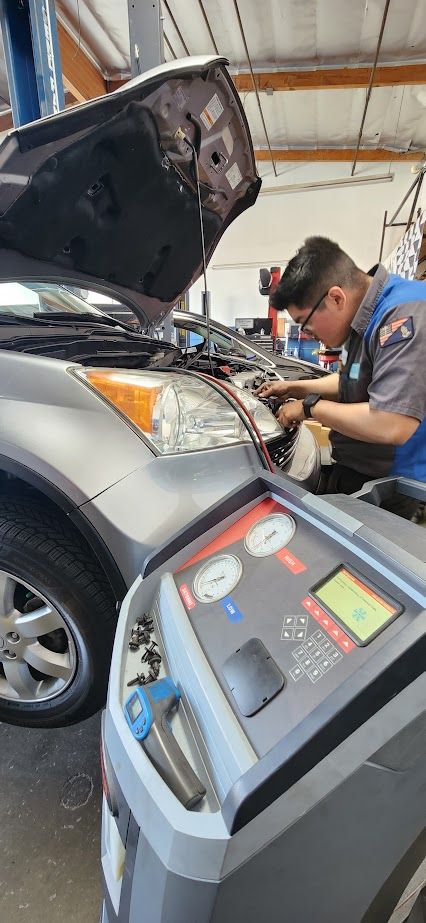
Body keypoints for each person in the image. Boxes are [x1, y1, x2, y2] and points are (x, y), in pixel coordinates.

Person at [255, 236, 426, 519]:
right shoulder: (365, 318)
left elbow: (391, 423)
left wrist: (309, 407)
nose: (307, 335)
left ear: (336, 298)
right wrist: (294, 387)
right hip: (357, 468)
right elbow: (353, 380)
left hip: (389, 486)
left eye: (305, 325)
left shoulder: (402, 316)